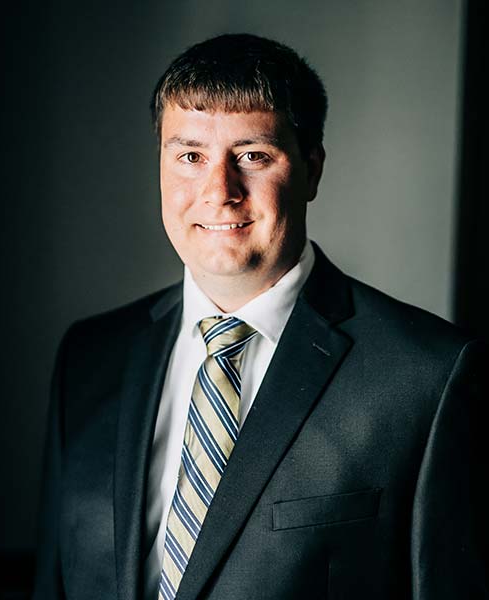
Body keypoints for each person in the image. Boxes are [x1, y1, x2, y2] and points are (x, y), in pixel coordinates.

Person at [33, 33, 488, 600]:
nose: (219, 191)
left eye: (252, 155)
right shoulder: (91, 356)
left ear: (311, 169)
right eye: (190, 156)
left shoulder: (427, 376)